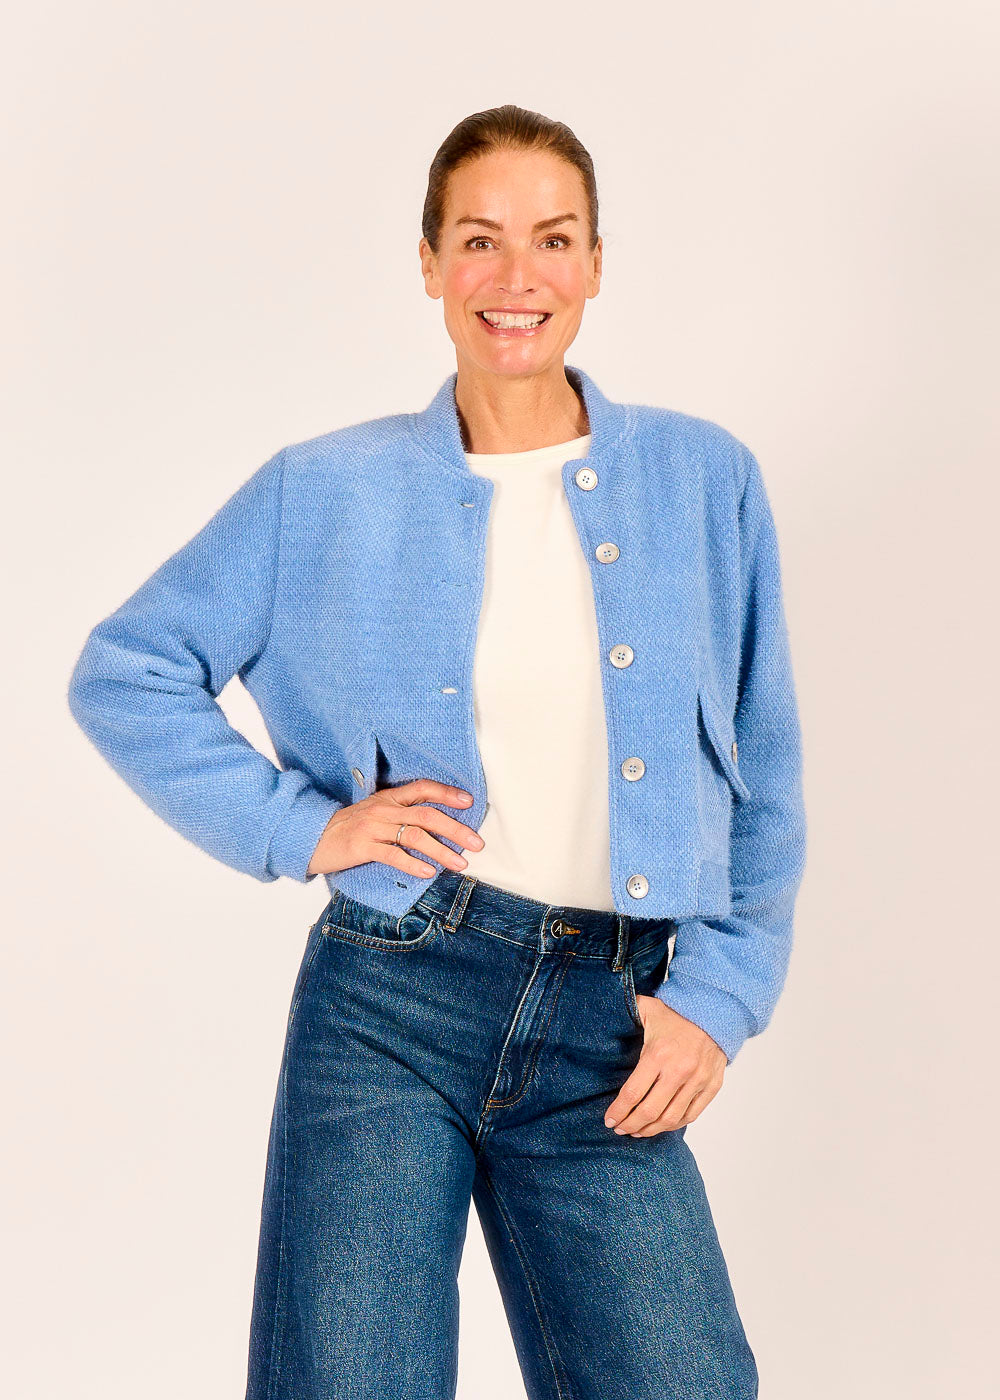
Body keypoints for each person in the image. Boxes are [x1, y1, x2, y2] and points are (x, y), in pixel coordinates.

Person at [67, 104, 807, 1399]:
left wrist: (722, 998)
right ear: (428, 263)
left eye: (553, 239)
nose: (517, 275)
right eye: (479, 239)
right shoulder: (324, 487)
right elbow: (126, 669)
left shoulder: (705, 479)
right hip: (392, 1000)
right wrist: (304, 827)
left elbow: (765, 763)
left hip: (617, 1022)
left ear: (595, 264)